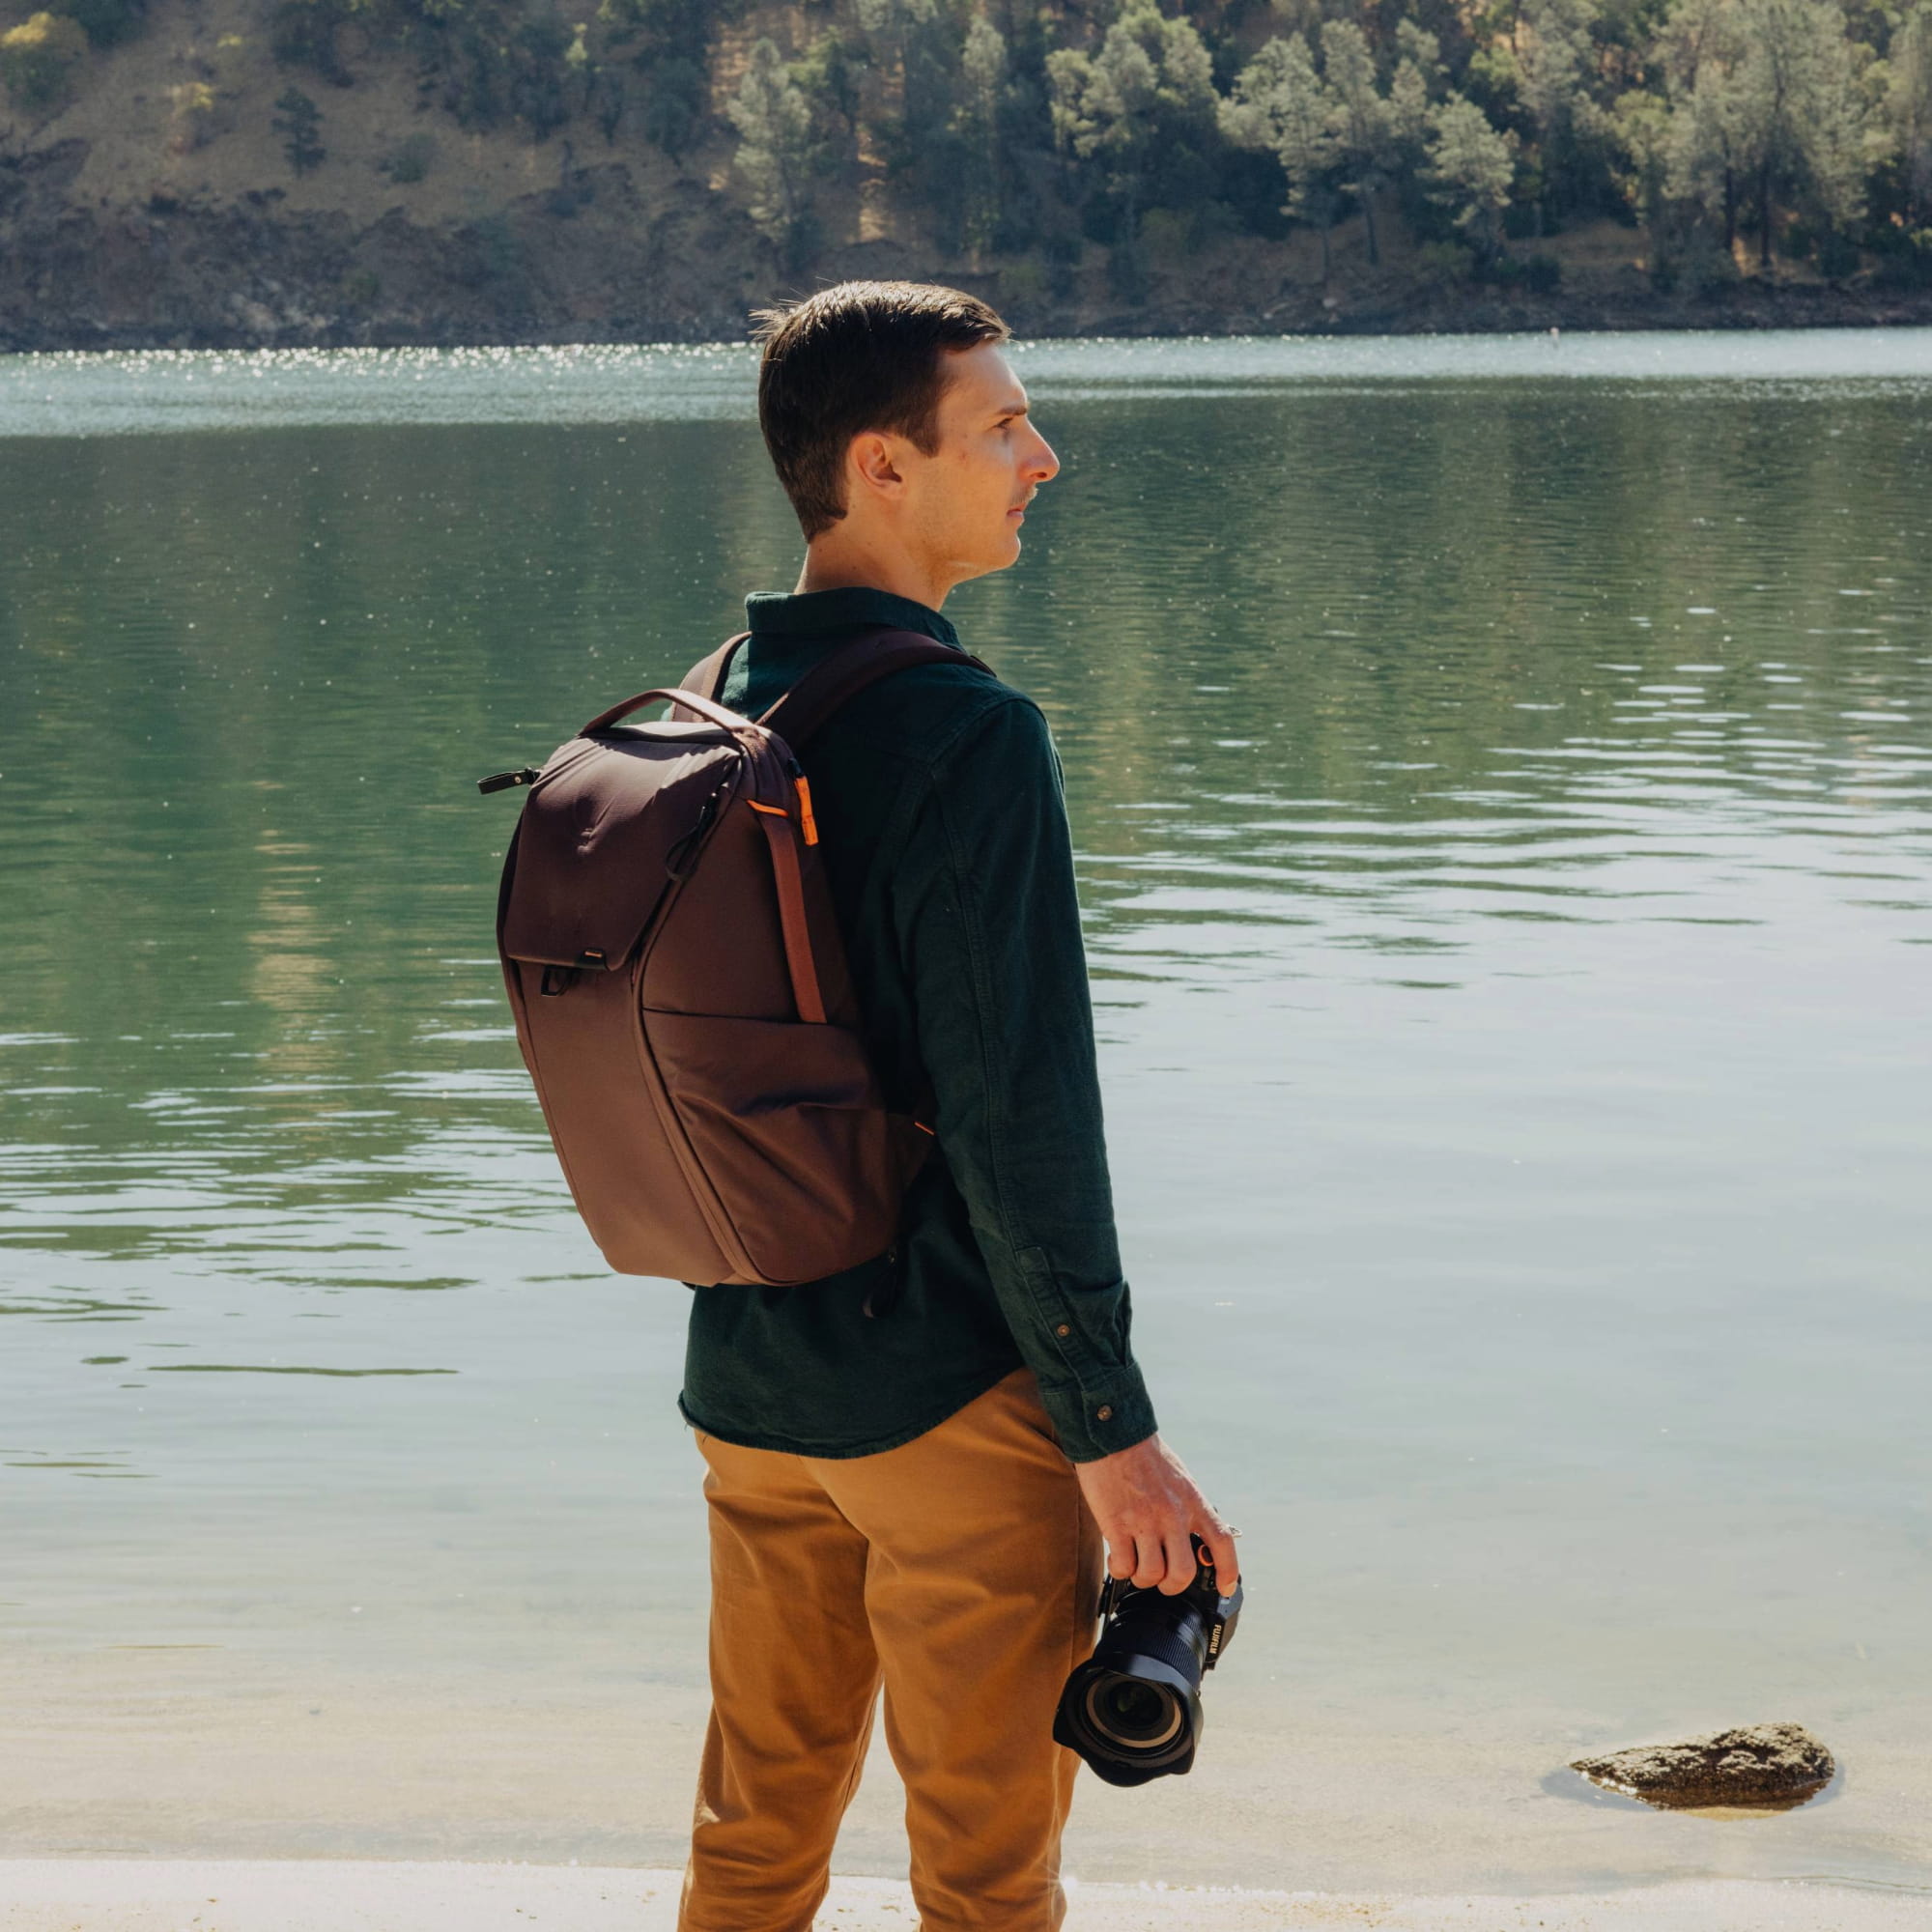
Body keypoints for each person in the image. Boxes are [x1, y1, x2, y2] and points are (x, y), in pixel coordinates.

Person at [676, 279, 1239, 1932]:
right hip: (942, 1399)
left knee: (754, 1838)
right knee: (989, 1876)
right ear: (882, 466)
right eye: (1001, 426)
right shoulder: (966, 735)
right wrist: (1113, 1435)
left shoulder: (711, 700)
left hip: (751, 1376)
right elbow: (1020, 1118)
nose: (1041, 458)